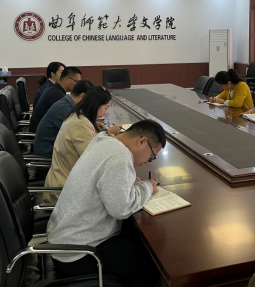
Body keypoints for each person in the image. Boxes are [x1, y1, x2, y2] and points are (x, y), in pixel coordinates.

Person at [47, 119, 166, 287]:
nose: (147, 161)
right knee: (151, 266)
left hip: (66, 239)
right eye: (151, 156)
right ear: (142, 141)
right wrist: (147, 186)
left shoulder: (103, 139)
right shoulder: (120, 155)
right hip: (79, 252)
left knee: (137, 241)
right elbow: (121, 209)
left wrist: (126, 183)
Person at [44, 86, 122, 203]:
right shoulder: (80, 125)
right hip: (66, 191)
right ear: (96, 105)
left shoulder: (78, 116)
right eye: (106, 108)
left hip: (66, 179)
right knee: (116, 201)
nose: (105, 113)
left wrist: (97, 130)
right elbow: (95, 161)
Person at [34, 80, 95, 158]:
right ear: (82, 96)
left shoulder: (66, 103)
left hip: (56, 149)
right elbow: (79, 133)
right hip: (48, 155)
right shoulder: (64, 109)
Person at [29, 66, 82, 132]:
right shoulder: (57, 95)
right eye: (77, 82)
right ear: (67, 79)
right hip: (41, 133)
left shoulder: (55, 89)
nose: (78, 85)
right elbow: (67, 119)